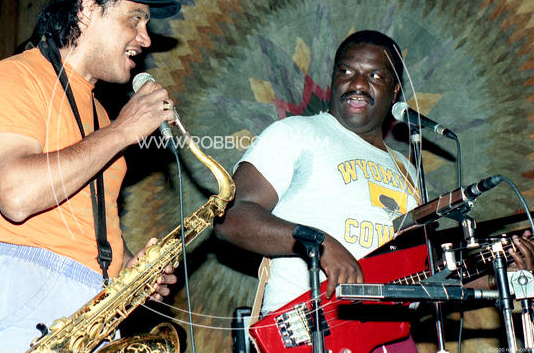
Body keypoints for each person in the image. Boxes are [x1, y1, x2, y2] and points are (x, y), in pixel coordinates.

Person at [214, 30, 534, 352]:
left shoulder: (407, 171)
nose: (357, 84)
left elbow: (425, 277)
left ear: (394, 91)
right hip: (309, 332)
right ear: (333, 79)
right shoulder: (295, 133)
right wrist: (321, 245)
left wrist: (500, 274)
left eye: (374, 76)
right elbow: (230, 217)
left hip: (392, 339)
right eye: (346, 72)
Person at [0, 0, 182, 353]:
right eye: (135, 18)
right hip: (24, 293)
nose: (146, 39)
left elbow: (78, 226)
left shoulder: (100, 114)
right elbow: (17, 196)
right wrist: (122, 131)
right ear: (87, 10)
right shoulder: (14, 77)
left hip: (94, 307)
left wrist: (129, 270)